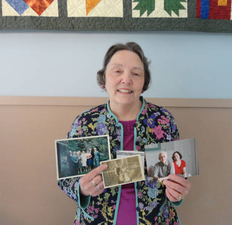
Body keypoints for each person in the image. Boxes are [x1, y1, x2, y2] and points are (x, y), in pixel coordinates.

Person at [58, 42, 191, 225]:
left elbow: (175, 177)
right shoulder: (85, 122)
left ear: (144, 83)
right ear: (104, 79)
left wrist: (177, 194)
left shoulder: (163, 121)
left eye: (136, 74)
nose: (126, 80)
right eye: (117, 71)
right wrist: (81, 188)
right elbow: (66, 180)